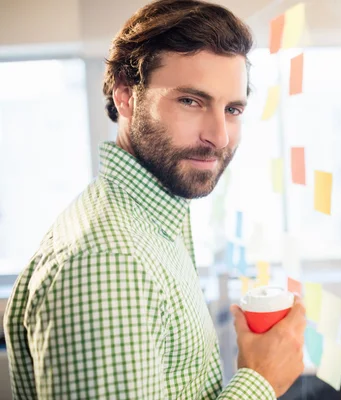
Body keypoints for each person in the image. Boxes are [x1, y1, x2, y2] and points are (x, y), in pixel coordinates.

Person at [3, 1, 306, 399]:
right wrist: (260, 382)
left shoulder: (150, 225)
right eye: (190, 101)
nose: (220, 136)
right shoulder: (110, 261)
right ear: (126, 96)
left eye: (232, 109)